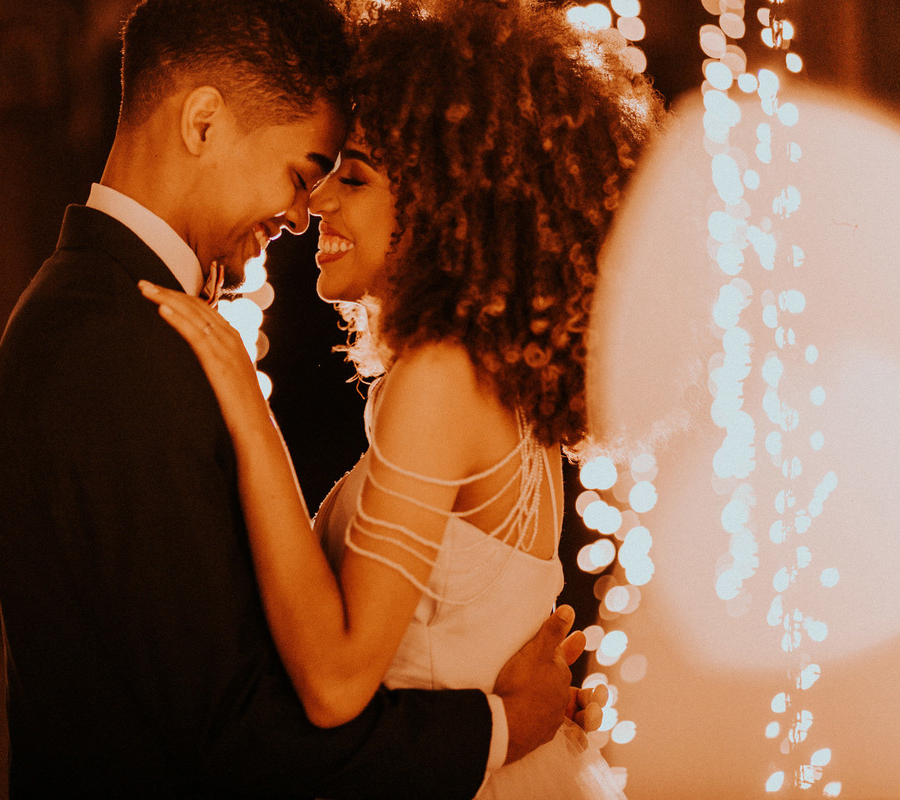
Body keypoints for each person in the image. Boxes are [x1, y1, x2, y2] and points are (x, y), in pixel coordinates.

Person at [0, 0, 596, 796]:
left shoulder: (126, 319)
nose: (305, 214)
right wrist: (505, 724)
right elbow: (236, 730)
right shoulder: (111, 343)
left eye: (345, 178)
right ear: (203, 123)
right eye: (306, 173)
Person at [139, 1, 662, 797]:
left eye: (354, 178)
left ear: (444, 204)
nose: (316, 206)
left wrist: (247, 408)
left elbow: (338, 680)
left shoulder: (442, 376)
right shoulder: (487, 375)